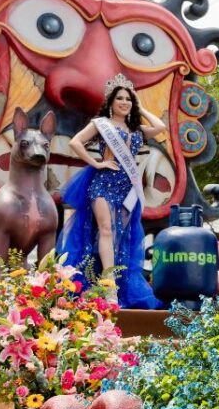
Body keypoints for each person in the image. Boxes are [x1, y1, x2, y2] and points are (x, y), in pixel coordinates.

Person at [56, 74, 164, 308]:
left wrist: (141, 106)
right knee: (105, 230)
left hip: (127, 188)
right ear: (111, 102)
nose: (124, 102)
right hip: (103, 183)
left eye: (128, 99)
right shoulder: (100, 124)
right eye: (120, 98)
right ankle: (109, 287)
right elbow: (75, 142)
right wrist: (96, 163)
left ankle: (115, 282)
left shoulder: (137, 130)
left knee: (119, 236)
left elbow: (160, 127)